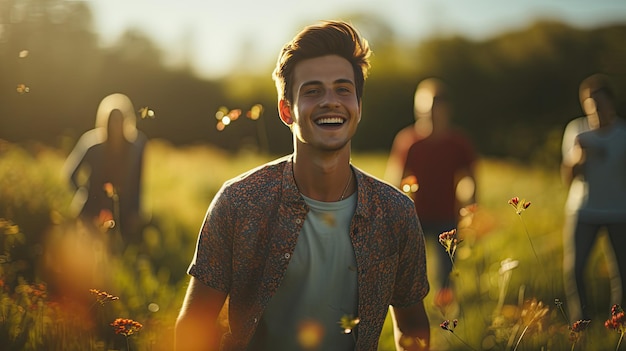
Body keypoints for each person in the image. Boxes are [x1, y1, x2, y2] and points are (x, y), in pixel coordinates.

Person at [175, 21, 430, 351]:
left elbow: (412, 327)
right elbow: (193, 326)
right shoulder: (239, 202)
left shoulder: (395, 213)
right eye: (312, 91)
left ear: (358, 107)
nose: (330, 102)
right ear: (286, 110)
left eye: (343, 89)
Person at [385, 78, 476, 308]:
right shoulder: (408, 141)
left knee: (447, 271)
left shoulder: (458, 142)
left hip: (447, 216)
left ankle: (445, 319)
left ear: (446, 109)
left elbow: (469, 179)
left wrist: (471, 210)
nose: (429, 115)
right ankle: (413, 309)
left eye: (435, 108)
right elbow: (397, 179)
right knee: (410, 270)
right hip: (415, 217)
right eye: (424, 109)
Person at [562, 73, 626, 322]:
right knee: (575, 271)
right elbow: (567, 178)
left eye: (600, 102)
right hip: (583, 210)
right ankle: (582, 324)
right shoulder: (576, 131)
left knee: (622, 274)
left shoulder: (623, 134)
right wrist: (578, 156)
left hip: (619, 212)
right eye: (590, 103)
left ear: (611, 102)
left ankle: (618, 324)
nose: (596, 108)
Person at [62, 93, 147, 246]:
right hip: (91, 211)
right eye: (112, 120)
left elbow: (138, 183)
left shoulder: (136, 148)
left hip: (123, 213)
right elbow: (70, 174)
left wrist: (136, 210)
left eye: (119, 120)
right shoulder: (91, 144)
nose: (116, 125)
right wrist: (83, 193)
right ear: (105, 121)